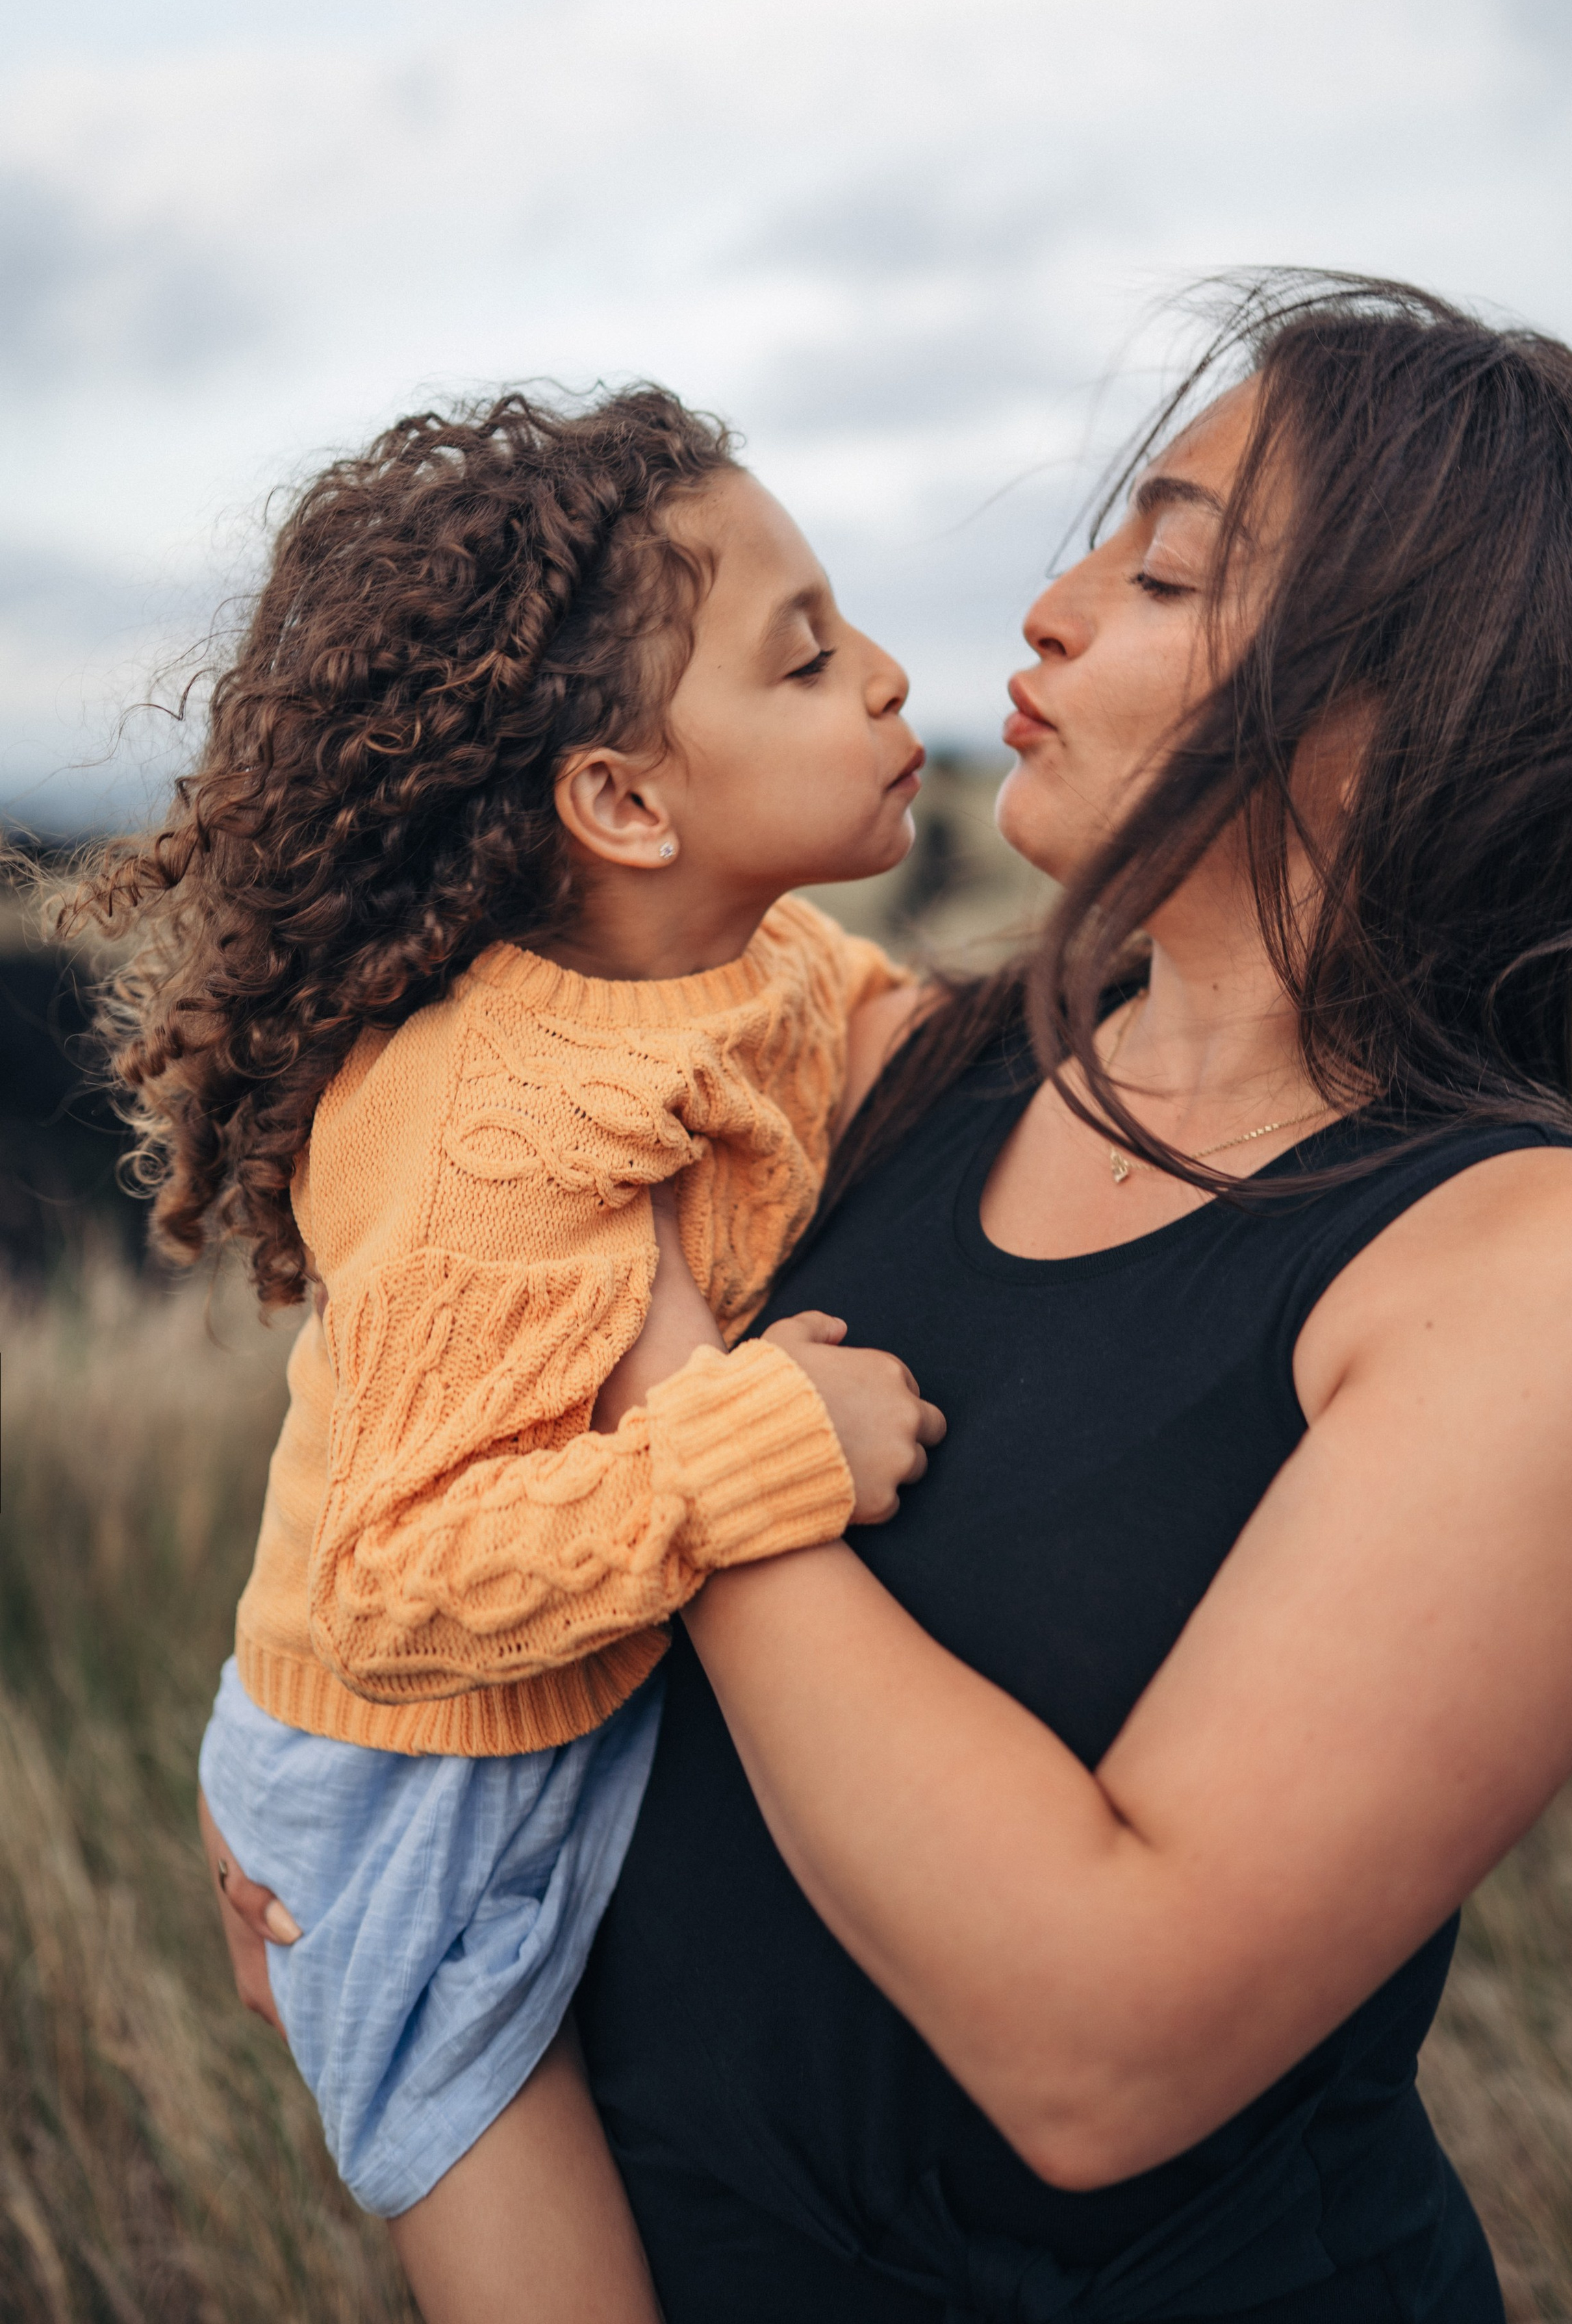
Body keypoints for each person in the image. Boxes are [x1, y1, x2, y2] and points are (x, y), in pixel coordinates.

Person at [219, 275, 1572, 2323]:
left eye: (1168, 571)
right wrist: (329, 1809)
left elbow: (1100, 2051)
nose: (1048, 609)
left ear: (1411, 717)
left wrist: (695, 1398)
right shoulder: (877, 1067)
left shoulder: (1549, 1281)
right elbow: (440, 1380)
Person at [67, 386, 944, 2324]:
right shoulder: (496, 1127)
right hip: (401, 1798)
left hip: (566, 1705)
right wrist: (756, 1448)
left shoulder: (756, 957)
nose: (890, 677)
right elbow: (398, 1585)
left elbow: (899, 1028)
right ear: (624, 804)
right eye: (807, 658)